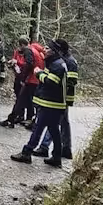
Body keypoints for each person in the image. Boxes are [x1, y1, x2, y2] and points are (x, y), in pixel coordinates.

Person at [10, 39, 70, 167]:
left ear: (54, 51)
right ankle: (56, 157)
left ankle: (27, 152)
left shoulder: (57, 65)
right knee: (54, 131)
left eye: (48, 49)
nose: (45, 50)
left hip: (51, 105)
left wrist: (39, 73)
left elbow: (51, 82)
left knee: (38, 128)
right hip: (54, 105)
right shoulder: (56, 63)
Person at [35, 48, 78, 160]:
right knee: (60, 124)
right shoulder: (62, 61)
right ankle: (64, 149)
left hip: (62, 99)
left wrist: (59, 88)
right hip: (61, 98)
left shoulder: (69, 62)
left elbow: (72, 81)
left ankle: (47, 147)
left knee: (54, 123)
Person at [0, 37, 41, 128]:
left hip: (31, 79)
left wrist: (23, 78)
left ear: (22, 44)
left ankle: (12, 120)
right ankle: (24, 119)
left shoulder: (28, 50)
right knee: (27, 101)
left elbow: (29, 64)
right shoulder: (34, 49)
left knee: (21, 100)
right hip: (35, 79)